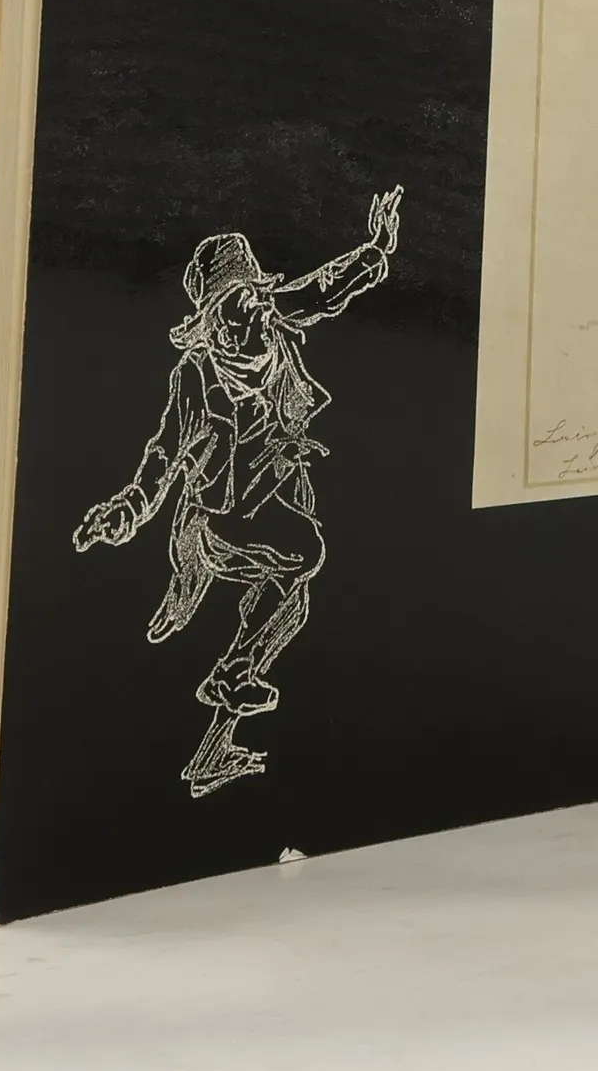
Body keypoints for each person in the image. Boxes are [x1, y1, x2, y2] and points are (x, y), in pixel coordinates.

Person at [72, 187, 403, 795]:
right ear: (206, 320)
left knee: (288, 608)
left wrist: (376, 249)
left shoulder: (274, 322)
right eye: (221, 313)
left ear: (256, 297)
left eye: (243, 304)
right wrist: (128, 508)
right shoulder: (196, 375)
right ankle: (229, 675)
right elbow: (165, 452)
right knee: (305, 554)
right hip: (219, 519)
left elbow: (326, 288)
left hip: (277, 491)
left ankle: (212, 748)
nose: (235, 324)